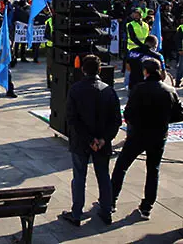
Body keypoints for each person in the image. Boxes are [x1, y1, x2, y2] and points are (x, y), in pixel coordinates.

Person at [111, 58, 183, 220]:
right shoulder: (169, 90)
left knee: (121, 166)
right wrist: (164, 120)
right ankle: (147, 207)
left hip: (138, 134)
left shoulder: (139, 89)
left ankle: (111, 200)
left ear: (146, 72)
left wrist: (133, 123)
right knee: (153, 170)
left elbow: (128, 113)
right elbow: (179, 114)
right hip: (158, 135)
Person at [59, 55, 122, 226]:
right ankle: (106, 211)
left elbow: (72, 119)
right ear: (99, 69)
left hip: (81, 141)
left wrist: (88, 139)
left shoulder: (75, 89)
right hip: (102, 141)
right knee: (103, 176)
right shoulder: (109, 91)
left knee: (79, 177)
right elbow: (116, 120)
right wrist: (103, 139)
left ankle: (77, 213)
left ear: (82, 70)